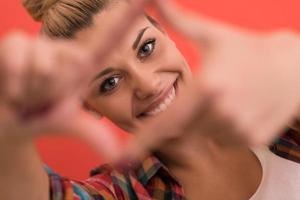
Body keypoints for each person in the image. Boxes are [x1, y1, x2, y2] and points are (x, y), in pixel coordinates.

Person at [0, 0, 300, 200]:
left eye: (146, 48)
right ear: (86, 106)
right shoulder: (125, 192)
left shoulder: (280, 116)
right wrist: (9, 138)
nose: (148, 84)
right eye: (110, 83)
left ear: (166, 33)